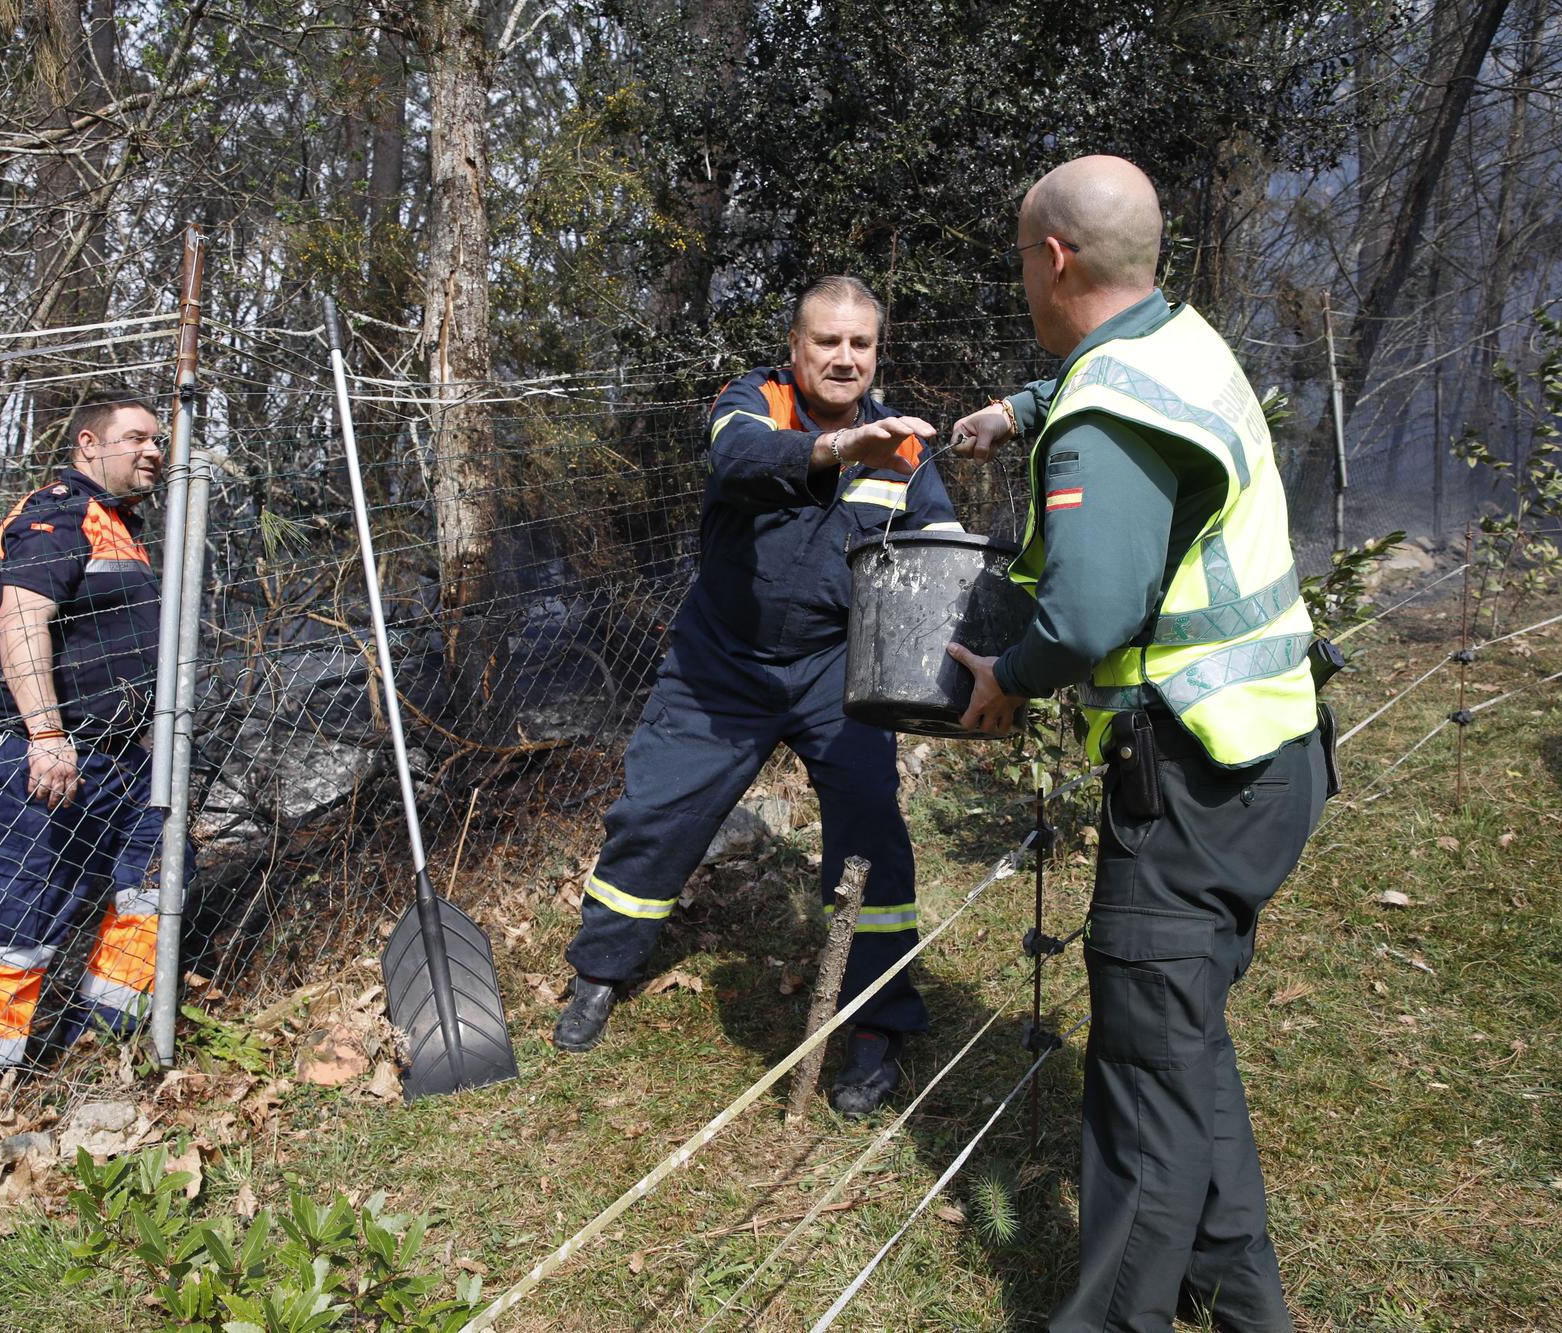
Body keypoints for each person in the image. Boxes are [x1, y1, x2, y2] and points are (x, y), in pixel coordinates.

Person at [945, 156, 1331, 1332]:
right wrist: (1016, 407)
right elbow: (1091, 376)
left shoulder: (1108, 407)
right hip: (1267, 757)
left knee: (1142, 1101)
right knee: (1181, 1054)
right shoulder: (1177, 343)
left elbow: (1090, 613)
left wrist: (1005, 680)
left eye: (1019, 256)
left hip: (1189, 781)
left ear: (1051, 259)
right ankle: (1245, 1310)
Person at [552, 275, 963, 1117]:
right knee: (655, 813)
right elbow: (737, 460)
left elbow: (943, 555)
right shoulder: (751, 404)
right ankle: (599, 971)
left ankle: (879, 1023)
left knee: (871, 835)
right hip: (720, 666)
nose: (844, 358)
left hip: (836, 675)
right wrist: (845, 451)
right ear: (795, 350)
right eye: (827, 342)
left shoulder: (908, 448)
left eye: (861, 344)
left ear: (876, 354)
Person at [0, 389, 170, 1115]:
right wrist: (48, 736)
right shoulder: (58, 515)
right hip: (54, 752)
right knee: (19, 917)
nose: (153, 450)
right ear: (89, 445)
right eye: (135, 437)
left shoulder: (122, 526)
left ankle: (102, 1042)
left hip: (126, 755)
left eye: (156, 438)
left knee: (151, 890)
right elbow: (21, 623)